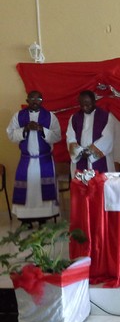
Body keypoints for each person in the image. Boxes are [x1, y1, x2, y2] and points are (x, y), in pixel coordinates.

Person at [6, 91, 61, 227]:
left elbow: (57, 136)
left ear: (42, 101)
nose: (35, 101)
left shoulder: (50, 116)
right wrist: (25, 129)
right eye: (32, 99)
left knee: (43, 192)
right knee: (27, 191)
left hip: (44, 160)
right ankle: (26, 220)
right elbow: (10, 134)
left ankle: (44, 218)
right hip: (26, 159)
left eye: (38, 99)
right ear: (27, 100)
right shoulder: (19, 116)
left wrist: (42, 129)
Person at [66, 90, 114, 174]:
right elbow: (70, 137)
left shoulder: (106, 117)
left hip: (100, 159)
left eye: (87, 104)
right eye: (82, 104)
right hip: (80, 158)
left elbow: (108, 138)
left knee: (99, 184)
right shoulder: (74, 118)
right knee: (81, 185)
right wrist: (80, 152)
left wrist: (90, 151)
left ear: (94, 101)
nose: (84, 107)